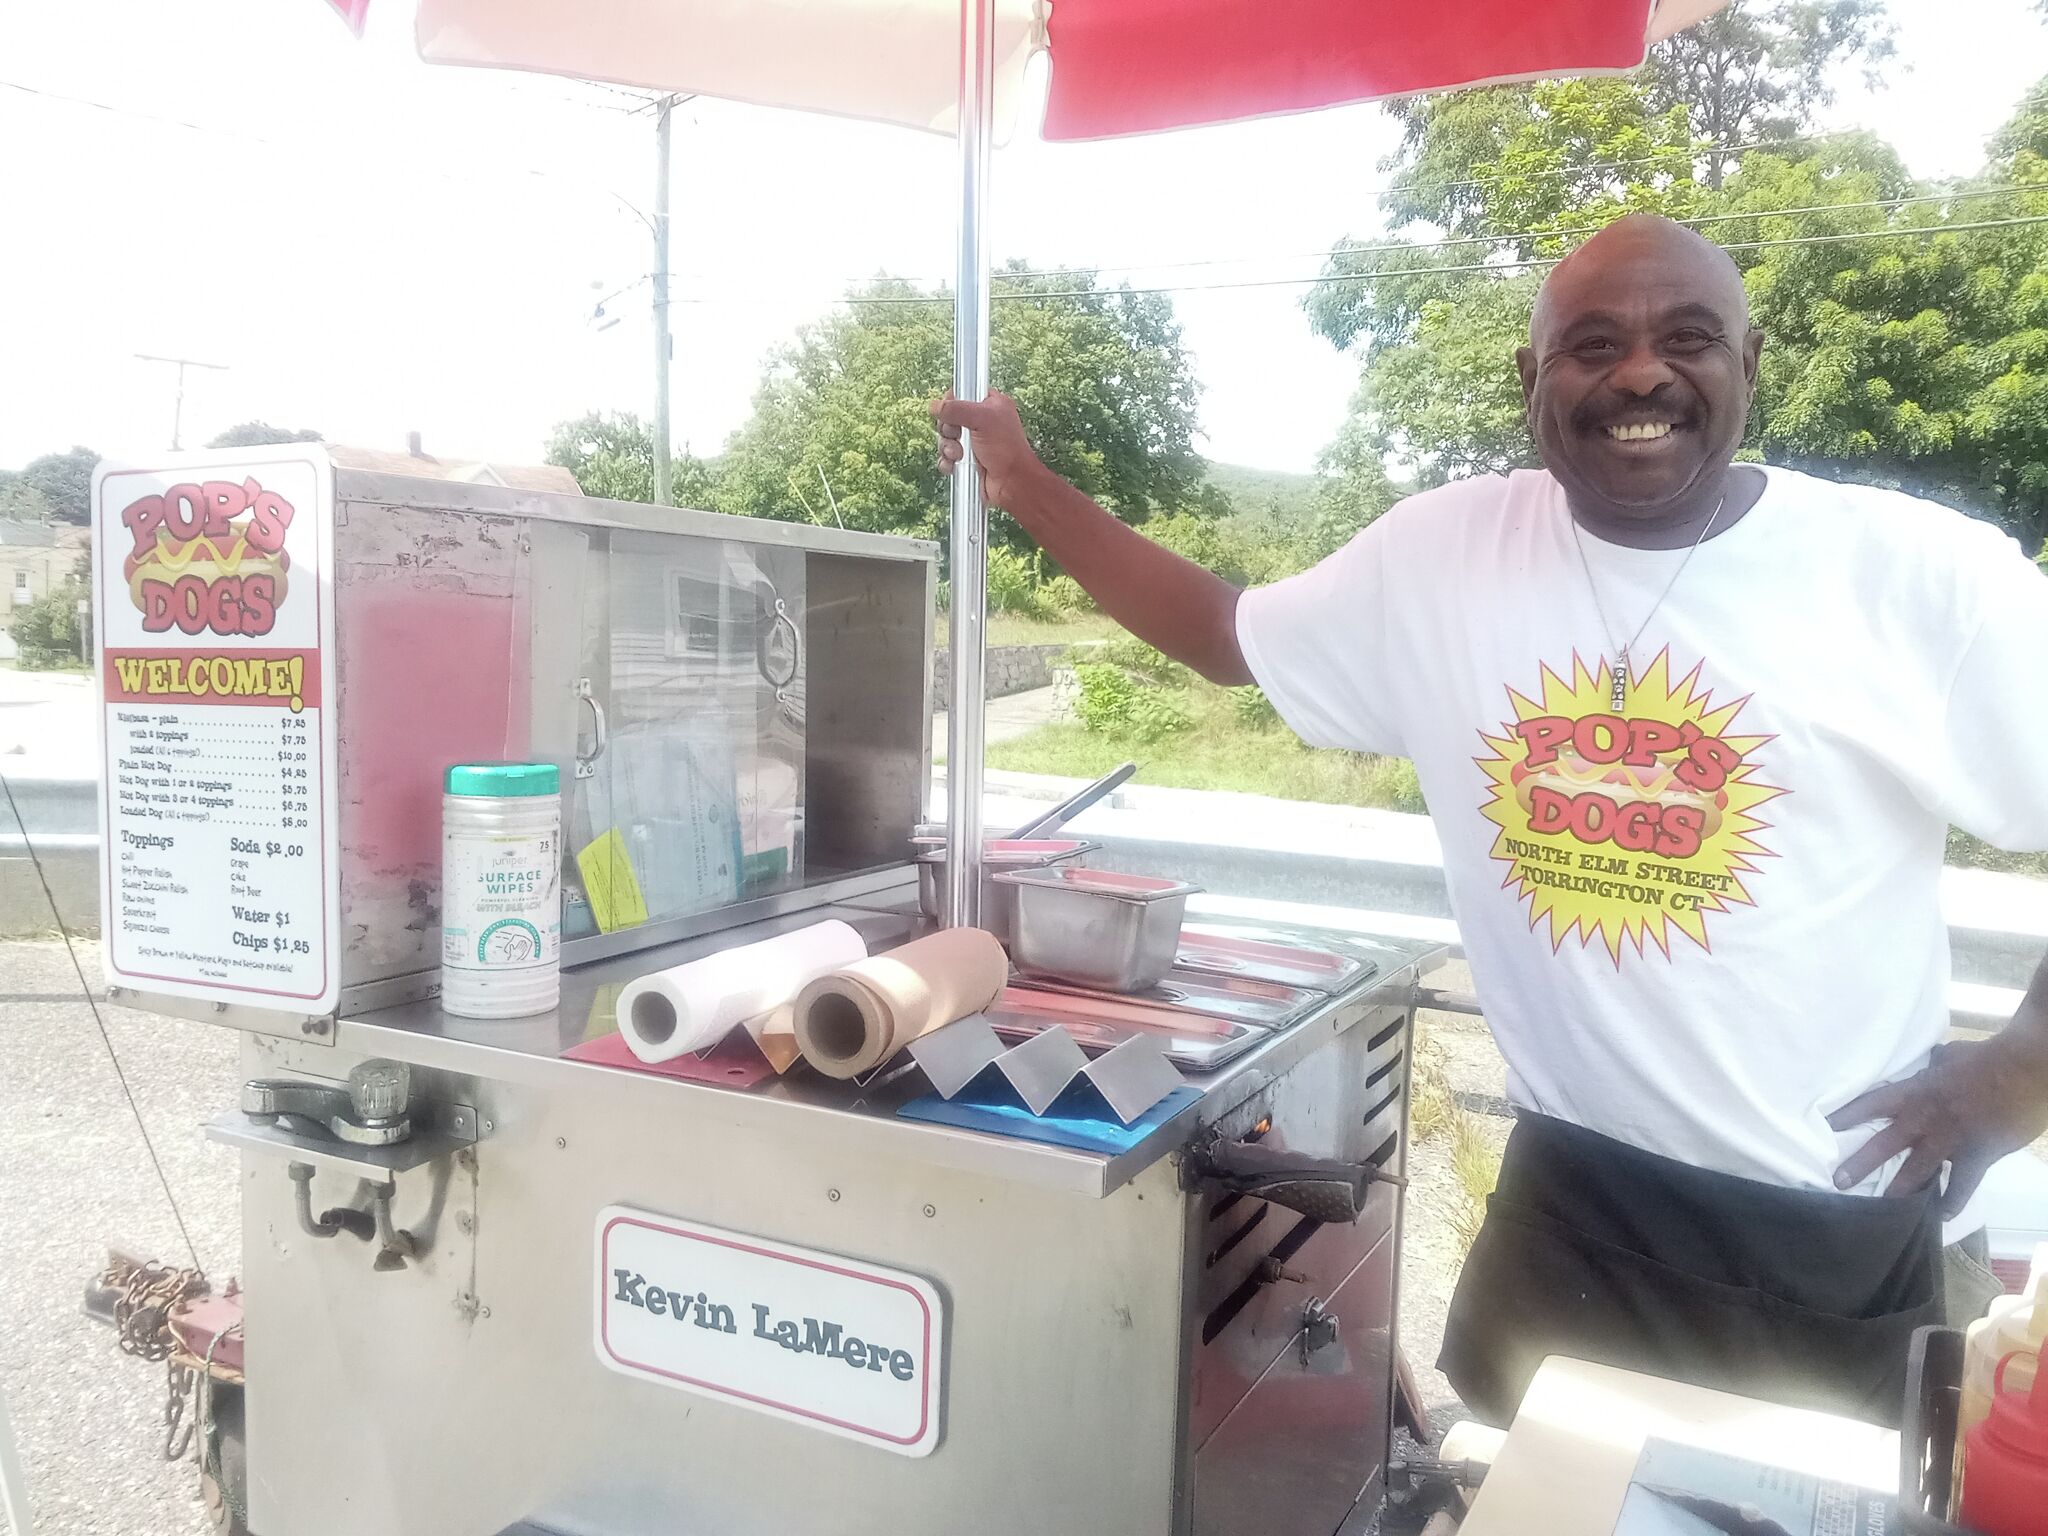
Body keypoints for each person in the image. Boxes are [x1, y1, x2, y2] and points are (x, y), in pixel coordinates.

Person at [934, 214, 2048, 1427]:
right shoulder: (1444, 555)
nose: (1638, 374)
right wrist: (1024, 486)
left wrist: (2017, 1076)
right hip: (1574, 1189)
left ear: (1749, 363)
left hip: (1822, 1225)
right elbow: (1223, 635)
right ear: (1530, 378)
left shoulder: (1921, 578)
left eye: (1687, 338)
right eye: (1590, 343)